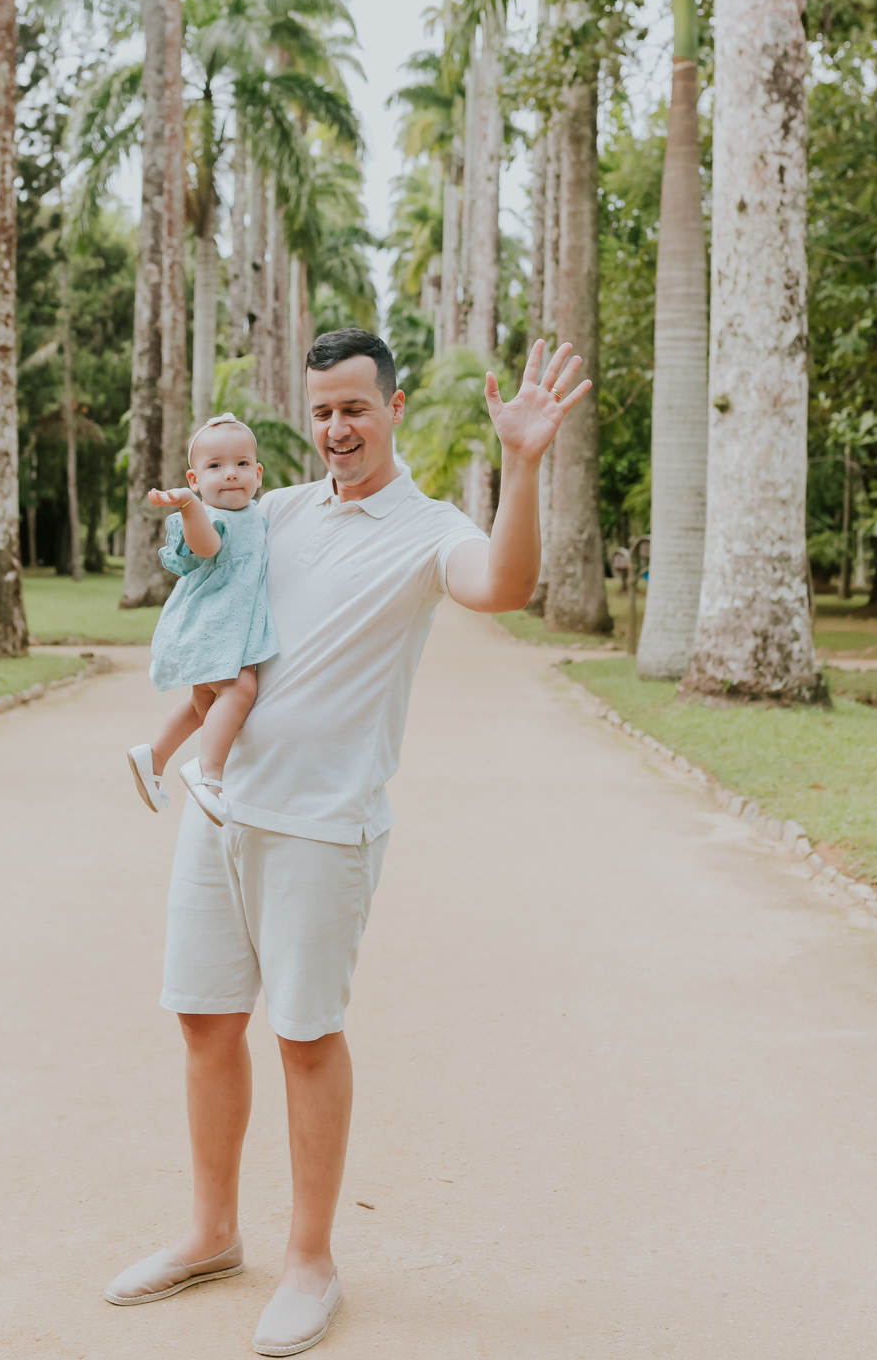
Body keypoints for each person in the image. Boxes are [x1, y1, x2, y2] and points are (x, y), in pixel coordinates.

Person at [106, 328, 590, 1356]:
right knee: (202, 1020)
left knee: (306, 1036)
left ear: (395, 409)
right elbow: (204, 563)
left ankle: (311, 1261)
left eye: (355, 408)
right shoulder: (275, 512)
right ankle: (210, 1234)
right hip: (221, 812)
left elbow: (502, 586)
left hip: (324, 831)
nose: (336, 428)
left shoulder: (428, 529)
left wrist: (522, 463)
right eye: (322, 410)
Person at [126, 412, 278, 827]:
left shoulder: (258, 514)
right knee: (241, 687)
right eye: (215, 467)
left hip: (224, 629)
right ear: (194, 480)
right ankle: (208, 774)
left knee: (203, 704)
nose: (231, 475)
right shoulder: (211, 516)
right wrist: (190, 508)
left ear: (258, 473)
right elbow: (207, 547)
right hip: (209, 628)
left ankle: (153, 755)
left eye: (242, 464)